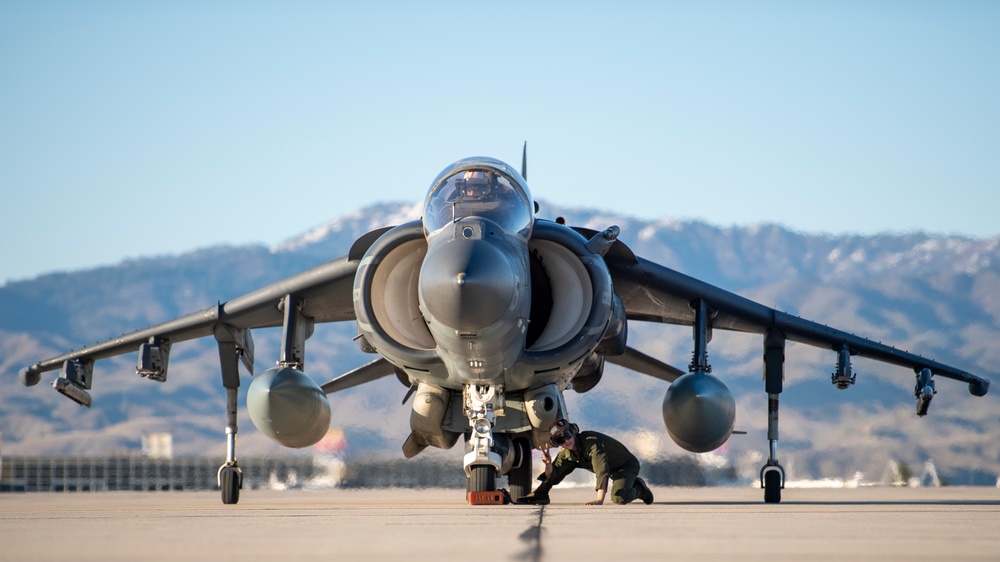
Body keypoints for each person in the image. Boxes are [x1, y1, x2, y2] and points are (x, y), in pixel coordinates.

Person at [518, 419, 654, 506]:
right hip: (611, 470)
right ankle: (540, 495)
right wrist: (548, 464)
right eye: (560, 440)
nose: (566, 441)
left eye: (567, 435)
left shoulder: (591, 442)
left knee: (619, 498)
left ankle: (640, 489)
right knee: (558, 469)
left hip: (625, 466)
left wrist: (599, 500)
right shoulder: (566, 453)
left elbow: (601, 469)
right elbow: (553, 473)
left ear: (573, 432)